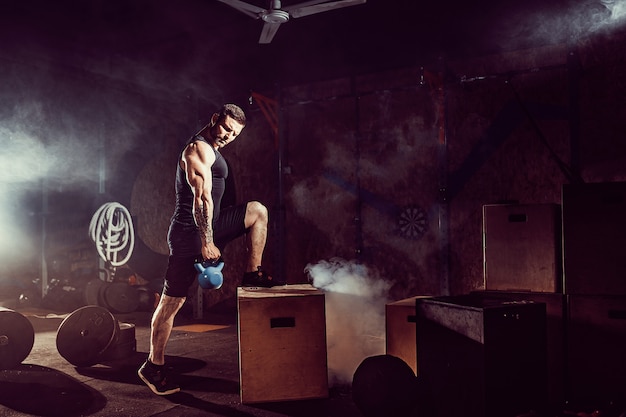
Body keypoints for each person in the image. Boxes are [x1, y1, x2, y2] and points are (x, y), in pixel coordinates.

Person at [138, 103, 281, 396]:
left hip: (212, 226)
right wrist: (206, 241)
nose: (229, 136)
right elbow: (201, 199)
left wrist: (214, 233)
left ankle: (253, 273)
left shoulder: (215, 147)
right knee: (172, 302)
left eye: (235, 134)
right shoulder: (197, 149)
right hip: (189, 233)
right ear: (215, 119)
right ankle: (154, 365)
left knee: (257, 212)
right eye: (226, 128)